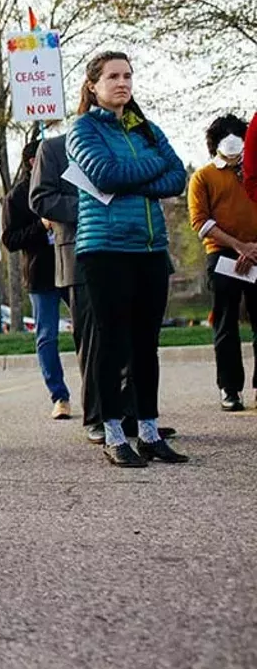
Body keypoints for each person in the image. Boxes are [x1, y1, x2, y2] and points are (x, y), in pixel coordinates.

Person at [67, 51, 188, 467]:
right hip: (106, 249)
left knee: (145, 346)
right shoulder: (82, 129)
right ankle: (114, 433)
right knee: (113, 343)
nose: (123, 83)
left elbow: (179, 176)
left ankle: (150, 431)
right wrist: (152, 172)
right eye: (113, 76)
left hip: (151, 249)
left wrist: (141, 171)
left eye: (128, 76)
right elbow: (105, 175)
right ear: (93, 86)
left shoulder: (145, 129)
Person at [30, 123, 156, 445]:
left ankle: (130, 415)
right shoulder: (54, 148)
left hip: (129, 249)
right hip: (80, 255)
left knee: (131, 338)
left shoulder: (123, 146)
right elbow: (41, 198)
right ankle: (98, 417)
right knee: (96, 340)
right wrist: (89, 206)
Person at [187, 114, 257, 412]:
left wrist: (252, 249)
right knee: (226, 325)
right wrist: (238, 246)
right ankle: (230, 389)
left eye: (238, 134)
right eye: (225, 135)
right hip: (222, 255)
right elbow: (200, 221)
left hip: (256, 253)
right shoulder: (203, 177)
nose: (232, 140)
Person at [3, 138, 72, 421]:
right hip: (41, 273)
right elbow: (10, 240)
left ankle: (100, 392)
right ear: (34, 161)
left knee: (91, 330)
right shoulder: (17, 197)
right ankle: (59, 396)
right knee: (47, 336)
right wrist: (41, 226)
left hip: (73, 267)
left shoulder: (68, 184)